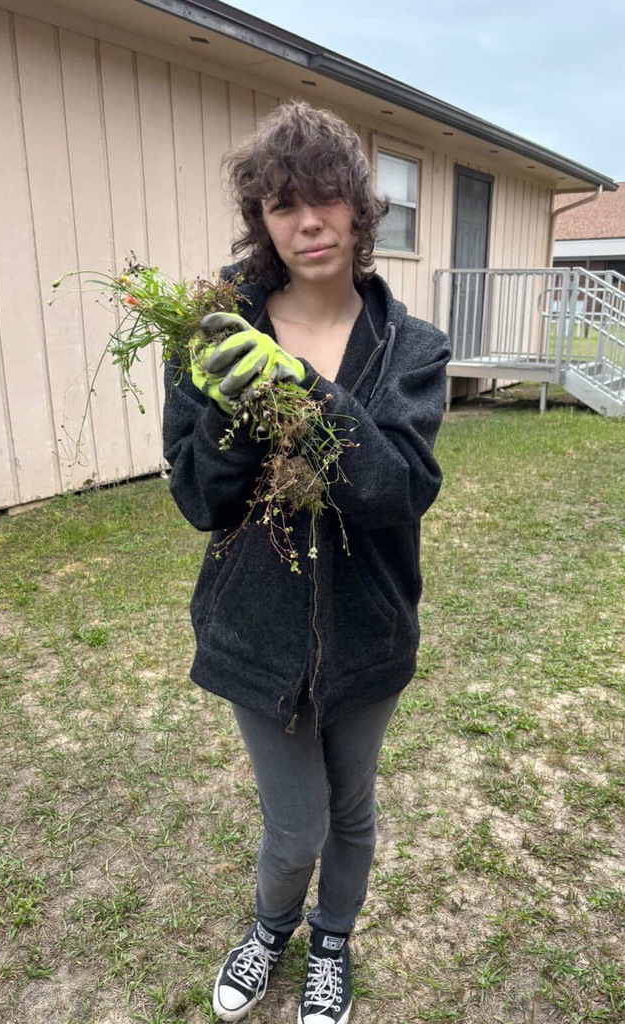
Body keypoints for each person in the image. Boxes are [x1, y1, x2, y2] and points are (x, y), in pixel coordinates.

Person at [161, 100, 451, 1024]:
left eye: (327, 199)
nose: (309, 221)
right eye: (284, 206)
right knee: (297, 827)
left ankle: (332, 942)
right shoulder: (213, 331)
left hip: (369, 630)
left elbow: (396, 491)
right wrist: (222, 416)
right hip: (259, 632)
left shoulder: (411, 348)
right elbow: (198, 501)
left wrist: (301, 390)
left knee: (353, 813)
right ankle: (269, 927)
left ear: (362, 213)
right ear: (262, 222)